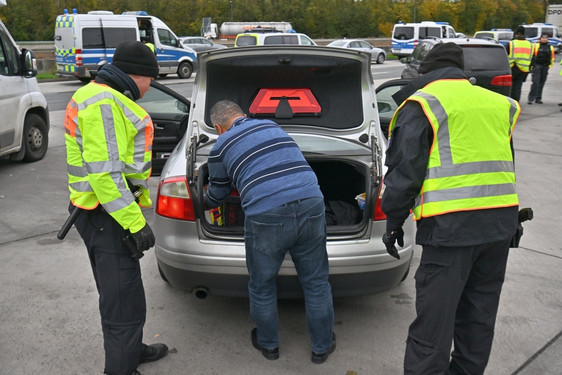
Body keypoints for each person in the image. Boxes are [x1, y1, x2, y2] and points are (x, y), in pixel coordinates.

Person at [381, 42, 520, 374]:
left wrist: (393, 223)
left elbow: (404, 176)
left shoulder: (425, 104)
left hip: (450, 233)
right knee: (478, 321)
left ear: (425, 71)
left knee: (433, 328)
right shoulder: (500, 104)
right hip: (499, 228)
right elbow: (507, 166)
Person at [64, 41, 168, 375]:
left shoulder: (98, 94)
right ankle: (122, 368)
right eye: (151, 78)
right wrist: (136, 223)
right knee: (123, 304)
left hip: (99, 214)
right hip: (105, 217)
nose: (151, 86)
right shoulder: (105, 103)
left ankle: (131, 350)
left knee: (122, 293)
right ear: (137, 75)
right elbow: (105, 175)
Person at [204, 100, 336, 364]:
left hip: (267, 214)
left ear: (219, 127)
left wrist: (205, 200)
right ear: (243, 115)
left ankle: (269, 345)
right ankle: (321, 347)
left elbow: (217, 194)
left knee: (262, 285)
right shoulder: (271, 125)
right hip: (311, 201)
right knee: (316, 282)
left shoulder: (221, 146)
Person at [508, 26, 534, 102]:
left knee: (510, 87)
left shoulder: (511, 43)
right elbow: (533, 58)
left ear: (516, 34)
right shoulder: (530, 44)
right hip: (524, 69)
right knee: (518, 87)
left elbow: (504, 56)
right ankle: (516, 102)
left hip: (512, 68)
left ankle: (510, 102)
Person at [527, 34, 555, 104]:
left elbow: (552, 57)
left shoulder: (550, 47)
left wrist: (549, 66)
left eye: (546, 38)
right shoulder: (536, 46)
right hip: (537, 66)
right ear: (540, 39)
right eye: (543, 38)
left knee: (541, 83)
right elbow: (532, 56)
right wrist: (531, 66)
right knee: (535, 83)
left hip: (545, 67)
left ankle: (538, 98)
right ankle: (531, 98)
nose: (544, 39)